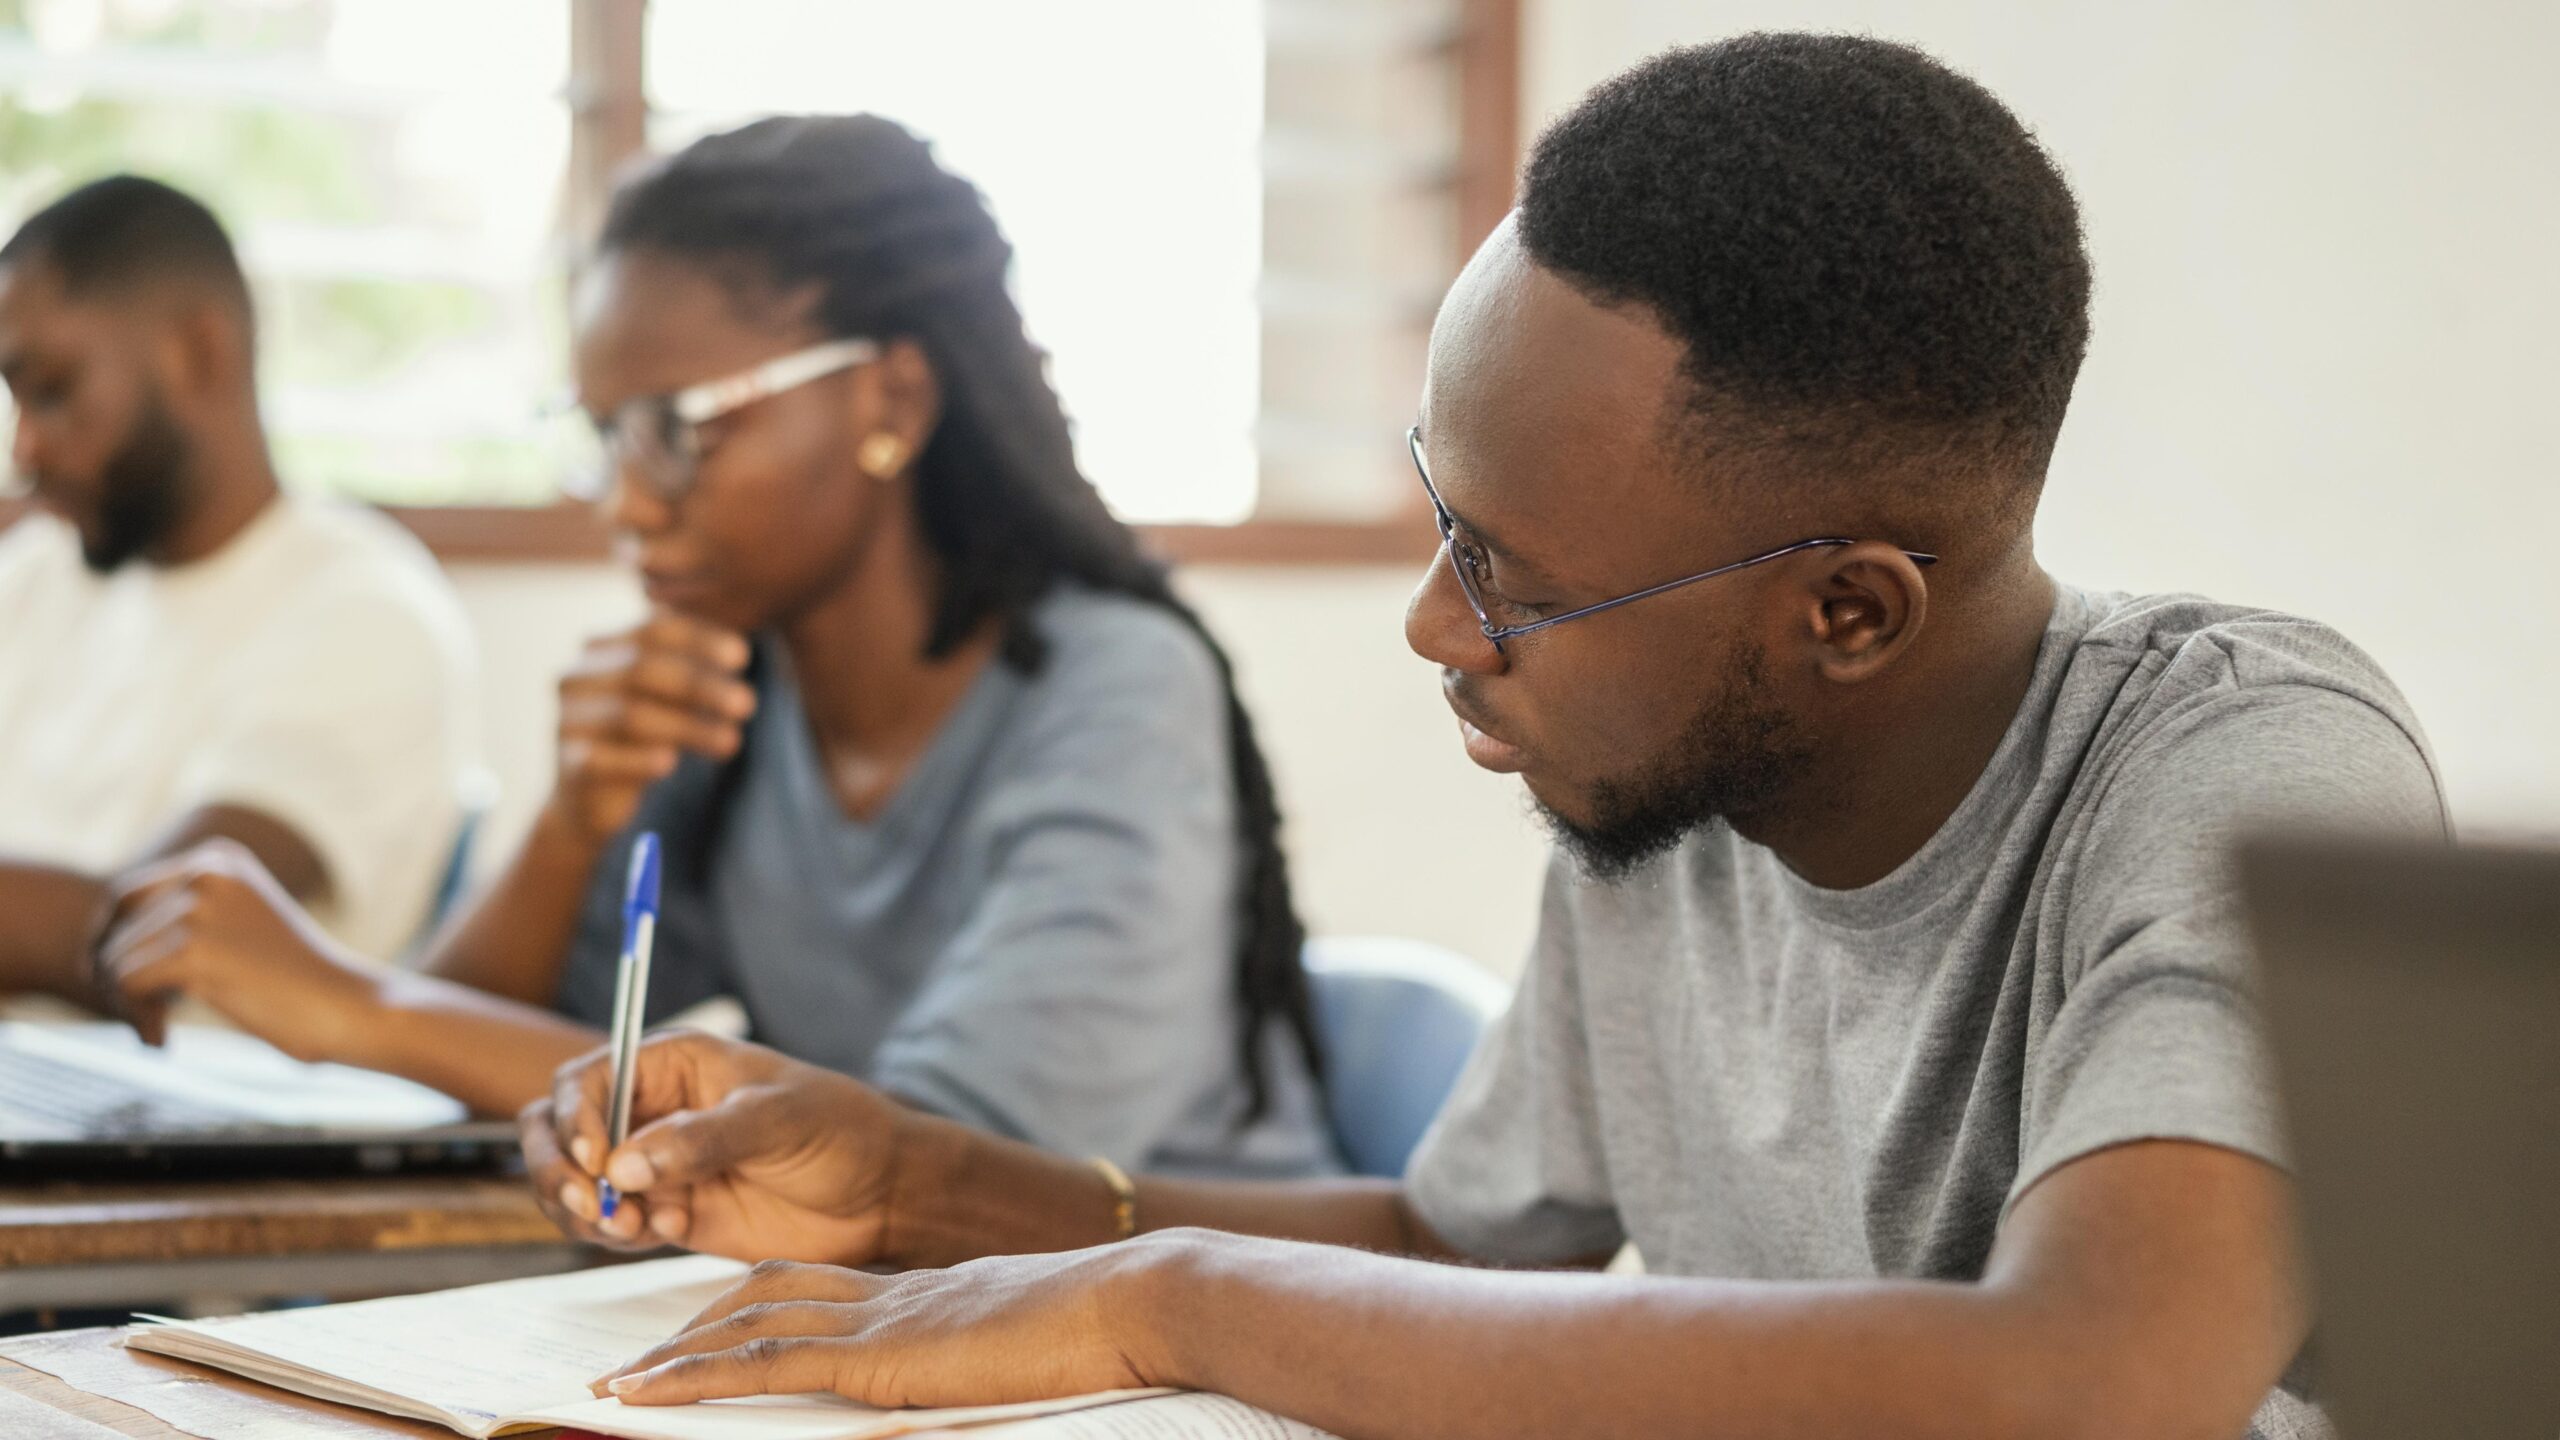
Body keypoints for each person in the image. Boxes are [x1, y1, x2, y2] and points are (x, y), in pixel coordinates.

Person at [519, 35, 2445, 1440]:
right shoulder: (1672, 781)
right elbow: (1458, 1237)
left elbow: (2089, 1383)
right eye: (1448, 518)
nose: (1442, 627)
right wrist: (917, 1186)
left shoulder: (2246, 771)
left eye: (1511, 575)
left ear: (1845, 613)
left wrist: (1166, 1300)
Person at [99, 116, 1338, 1180]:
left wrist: (352, 1003)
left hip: (1184, 1349)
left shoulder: (1112, 688)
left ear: (891, 402)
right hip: (900, 1330)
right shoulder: (739, 703)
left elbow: (949, 1166)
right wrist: (568, 828)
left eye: (674, 430)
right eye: (602, 438)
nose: (628, 503)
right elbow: (475, 1067)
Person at [0, 175, 475, 1005]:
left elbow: (154, 937)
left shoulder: (365, 613)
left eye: (53, 389)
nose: (27, 448)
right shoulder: (40, 575)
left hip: (179, 1120)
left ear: (198, 354)